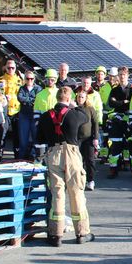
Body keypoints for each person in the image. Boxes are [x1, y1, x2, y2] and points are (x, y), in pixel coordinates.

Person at [37, 86, 93, 245]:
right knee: (76, 193)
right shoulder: (75, 114)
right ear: (69, 99)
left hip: (53, 153)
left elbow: (39, 138)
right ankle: (82, 233)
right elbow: (86, 117)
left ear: (56, 98)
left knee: (57, 194)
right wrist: (75, 106)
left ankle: (56, 235)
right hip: (72, 153)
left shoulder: (45, 116)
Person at [106, 67, 132, 177]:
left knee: (128, 143)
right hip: (117, 120)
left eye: (124, 74)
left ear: (127, 76)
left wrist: (118, 102)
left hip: (128, 119)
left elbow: (131, 104)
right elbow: (111, 103)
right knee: (115, 144)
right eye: (120, 74)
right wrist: (123, 102)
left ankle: (128, 164)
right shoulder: (114, 90)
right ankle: (113, 168)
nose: (122, 76)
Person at [74, 88, 101, 191]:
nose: (80, 99)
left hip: (88, 138)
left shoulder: (90, 109)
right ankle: (79, 181)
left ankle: (90, 181)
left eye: (82, 97)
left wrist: (96, 138)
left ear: (86, 98)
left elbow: (95, 123)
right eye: (79, 97)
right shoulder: (73, 109)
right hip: (76, 139)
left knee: (90, 160)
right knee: (77, 161)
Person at [33, 69, 60, 159]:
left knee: (54, 149)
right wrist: (37, 123)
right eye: (48, 79)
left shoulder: (59, 93)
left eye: (52, 79)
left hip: (56, 125)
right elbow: (36, 110)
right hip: (42, 124)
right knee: (41, 148)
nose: (50, 81)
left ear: (55, 80)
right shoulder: (40, 95)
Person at [0, 59, 23, 158]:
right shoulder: (1, 80)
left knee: (17, 134)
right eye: (9, 68)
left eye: (13, 68)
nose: (11, 70)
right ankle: (0, 153)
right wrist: (4, 97)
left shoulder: (20, 80)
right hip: (5, 111)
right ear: (5, 68)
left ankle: (17, 154)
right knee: (2, 133)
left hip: (17, 111)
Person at [16, 71, 41, 161]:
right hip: (24, 115)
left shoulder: (38, 88)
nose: (30, 80)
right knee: (23, 139)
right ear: (25, 79)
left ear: (34, 79)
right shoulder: (21, 88)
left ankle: (35, 158)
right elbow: (19, 98)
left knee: (36, 137)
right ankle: (21, 158)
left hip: (35, 116)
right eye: (27, 78)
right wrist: (31, 100)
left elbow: (37, 100)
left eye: (31, 78)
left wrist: (26, 101)